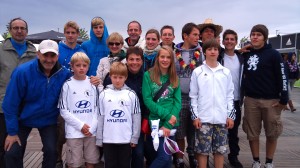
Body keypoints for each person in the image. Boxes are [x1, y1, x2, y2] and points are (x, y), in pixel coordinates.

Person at [2, 40, 70, 168]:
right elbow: (9, 103)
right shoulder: (22, 72)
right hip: (23, 118)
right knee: (11, 152)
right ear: (38, 54)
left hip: (48, 120)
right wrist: (11, 132)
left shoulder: (64, 74)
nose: (49, 59)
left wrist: (93, 81)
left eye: (52, 55)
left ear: (58, 56)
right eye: (45, 55)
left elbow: (78, 83)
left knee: (51, 151)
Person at [242, 24, 288, 168]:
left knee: (272, 133)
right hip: (251, 100)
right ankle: (256, 161)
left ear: (265, 37)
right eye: (253, 34)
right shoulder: (246, 53)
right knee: (252, 133)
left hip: (271, 101)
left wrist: (284, 99)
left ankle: (269, 162)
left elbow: (283, 76)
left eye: (258, 34)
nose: (255, 37)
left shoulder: (273, 54)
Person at [102, 47, 152, 168]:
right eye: (131, 59)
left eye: (138, 59)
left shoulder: (147, 76)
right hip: (118, 123)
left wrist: (145, 119)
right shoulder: (117, 75)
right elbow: (105, 94)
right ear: (127, 60)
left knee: (139, 153)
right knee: (117, 157)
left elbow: (150, 99)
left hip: (138, 121)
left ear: (142, 61)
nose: (134, 62)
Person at [190, 38, 235, 168]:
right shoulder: (198, 72)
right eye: (209, 49)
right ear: (204, 52)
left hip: (221, 119)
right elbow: (193, 96)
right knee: (202, 151)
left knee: (220, 151)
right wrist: (195, 116)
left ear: (219, 51)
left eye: (215, 49)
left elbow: (229, 96)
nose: (213, 52)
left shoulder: (225, 72)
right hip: (203, 119)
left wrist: (230, 116)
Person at [0, 17, 36, 168]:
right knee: (3, 145)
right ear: (10, 31)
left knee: (19, 145)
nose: (19, 31)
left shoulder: (33, 53)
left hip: (24, 106)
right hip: (3, 105)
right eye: (16, 28)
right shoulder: (1, 51)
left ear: (27, 31)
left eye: (22, 28)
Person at [58, 52, 99, 168]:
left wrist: (93, 127)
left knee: (91, 160)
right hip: (74, 131)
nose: (81, 68)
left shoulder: (92, 84)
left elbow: (97, 108)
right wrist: (80, 125)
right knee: (74, 163)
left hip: (91, 131)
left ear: (88, 66)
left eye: (84, 65)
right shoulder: (67, 85)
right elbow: (63, 110)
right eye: (78, 65)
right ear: (72, 66)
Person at [142, 46, 182, 168]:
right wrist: (168, 116)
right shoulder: (148, 75)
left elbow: (177, 102)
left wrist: (169, 122)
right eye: (162, 56)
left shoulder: (174, 77)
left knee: (167, 160)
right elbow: (148, 100)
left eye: (168, 57)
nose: (165, 60)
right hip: (156, 122)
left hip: (171, 123)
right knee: (163, 157)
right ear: (157, 58)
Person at [96, 62, 141, 168]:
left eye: (120, 77)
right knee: (109, 165)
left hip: (125, 139)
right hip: (108, 139)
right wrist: (99, 137)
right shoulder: (104, 94)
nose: (117, 80)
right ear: (110, 76)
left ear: (125, 77)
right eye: (115, 77)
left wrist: (135, 137)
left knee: (124, 164)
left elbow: (136, 117)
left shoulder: (131, 94)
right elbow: (100, 117)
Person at [174, 22, 203, 168]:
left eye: (198, 35)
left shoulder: (200, 52)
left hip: (195, 98)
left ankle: (192, 156)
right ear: (185, 36)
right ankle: (179, 158)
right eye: (195, 34)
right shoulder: (175, 53)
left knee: (193, 130)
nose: (198, 37)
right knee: (180, 130)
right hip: (179, 97)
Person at [56, 21, 84, 168]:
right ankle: (58, 159)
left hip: (79, 96)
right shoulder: (58, 49)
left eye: (74, 33)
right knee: (60, 132)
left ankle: (73, 160)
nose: (71, 35)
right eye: (68, 32)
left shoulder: (82, 49)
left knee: (75, 130)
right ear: (64, 34)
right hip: (61, 94)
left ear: (78, 34)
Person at [218, 29, 244, 168]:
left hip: (235, 100)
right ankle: (216, 157)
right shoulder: (218, 56)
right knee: (219, 130)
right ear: (222, 41)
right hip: (220, 100)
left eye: (232, 39)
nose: (229, 41)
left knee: (233, 131)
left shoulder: (241, 57)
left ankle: (233, 156)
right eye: (226, 39)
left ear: (236, 41)